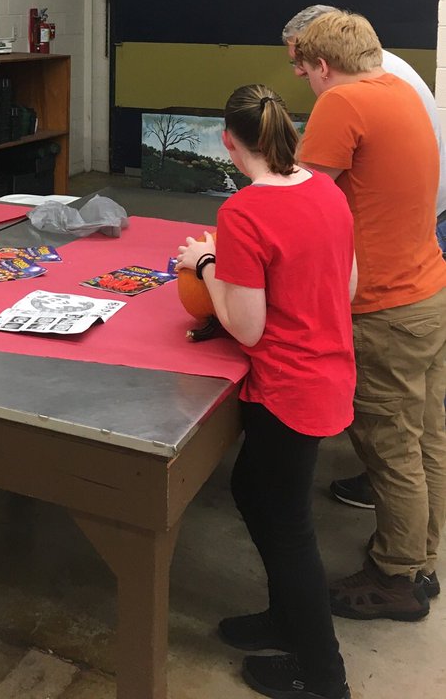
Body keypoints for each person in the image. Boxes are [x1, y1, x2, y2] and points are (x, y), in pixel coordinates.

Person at [177, 84, 355, 699]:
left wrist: (207, 263)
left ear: (228, 141)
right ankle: (286, 619)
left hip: (289, 389)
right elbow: (348, 284)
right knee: (253, 489)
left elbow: (246, 326)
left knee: (289, 528)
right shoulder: (327, 191)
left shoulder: (243, 213)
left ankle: (324, 677)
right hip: (328, 374)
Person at [295, 11, 446, 620]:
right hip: (428, 292)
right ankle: (420, 553)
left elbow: (304, 199)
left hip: (383, 308)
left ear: (323, 65)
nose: (303, 78)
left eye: (302, 68)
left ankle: (395, 579)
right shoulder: (403, 92)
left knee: (388, 445)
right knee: (427, 435)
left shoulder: (343, 101)